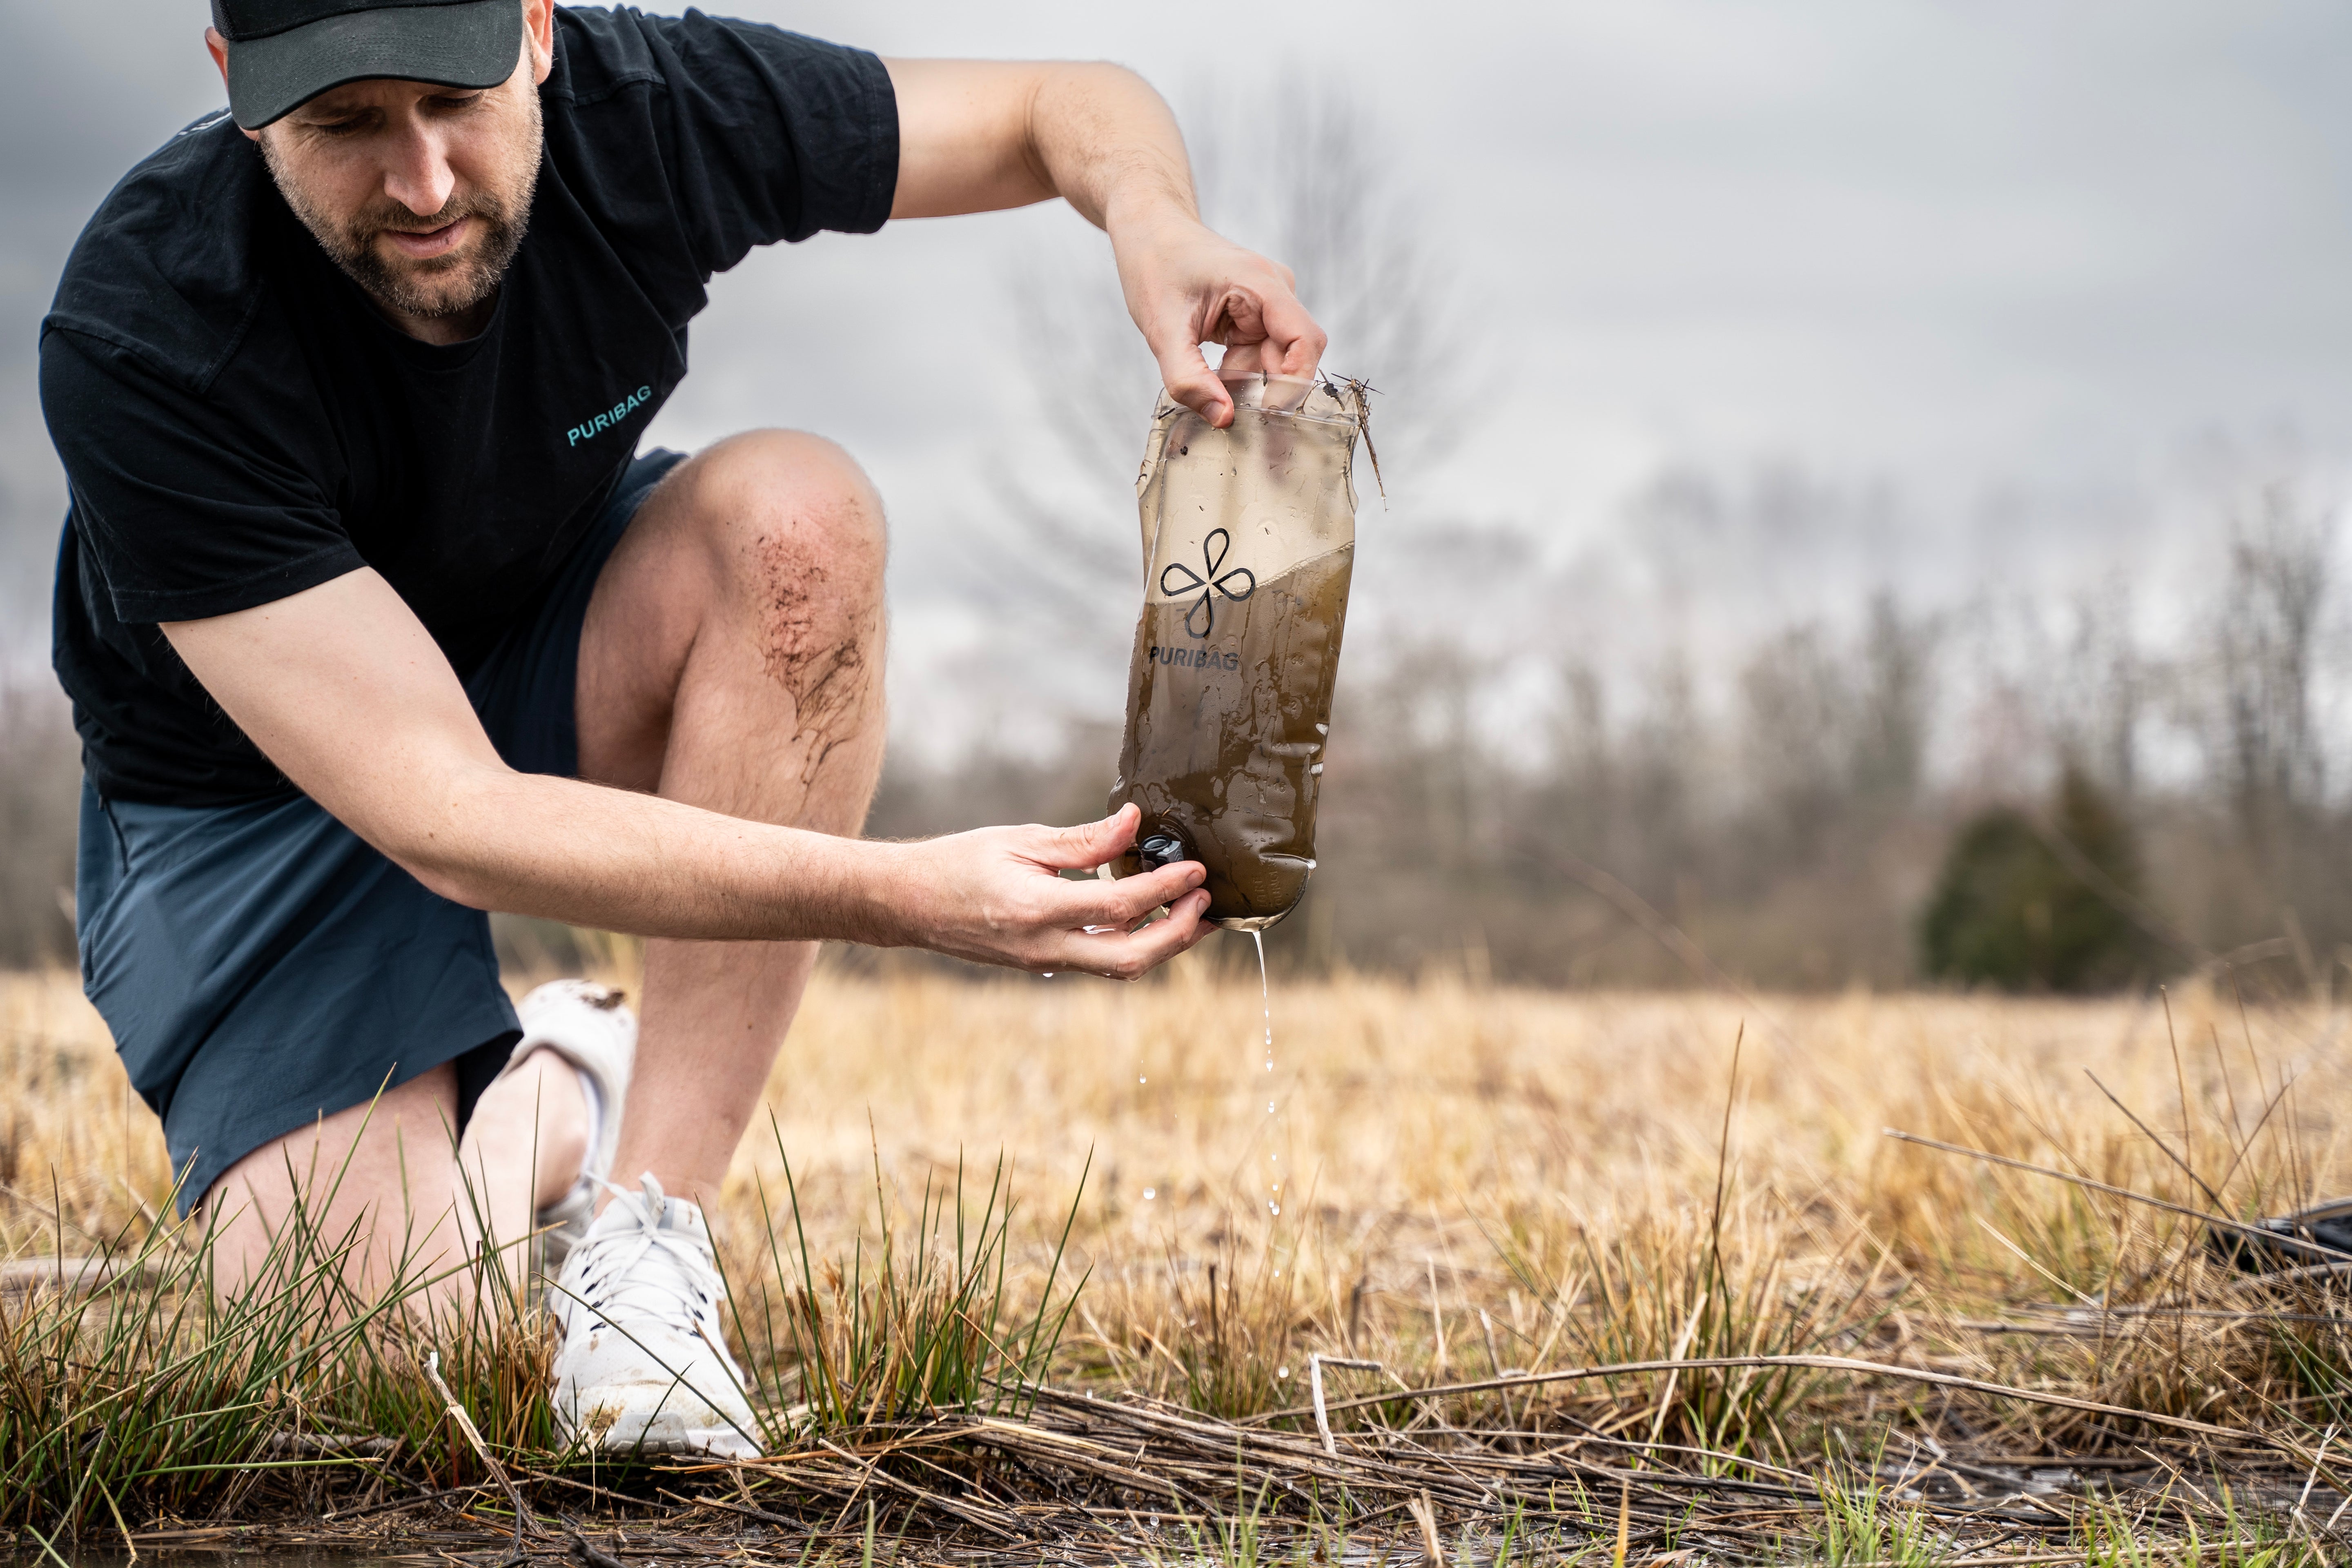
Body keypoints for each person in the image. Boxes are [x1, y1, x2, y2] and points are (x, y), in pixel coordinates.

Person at [42, 0, 1326, 1457]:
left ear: (535, 29)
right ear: (238, 86)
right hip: (253, 796)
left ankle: (650, 1233)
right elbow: (445, 817)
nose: (420, 184)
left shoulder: (651, 110)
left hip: (541, 653)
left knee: (796, 519)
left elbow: (1062, 98)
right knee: (382, 1395)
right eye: (344, 123)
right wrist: (908, 894)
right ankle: (561, 1092)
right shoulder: (147, 325)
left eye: (455, 99)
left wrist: (1152, 223)